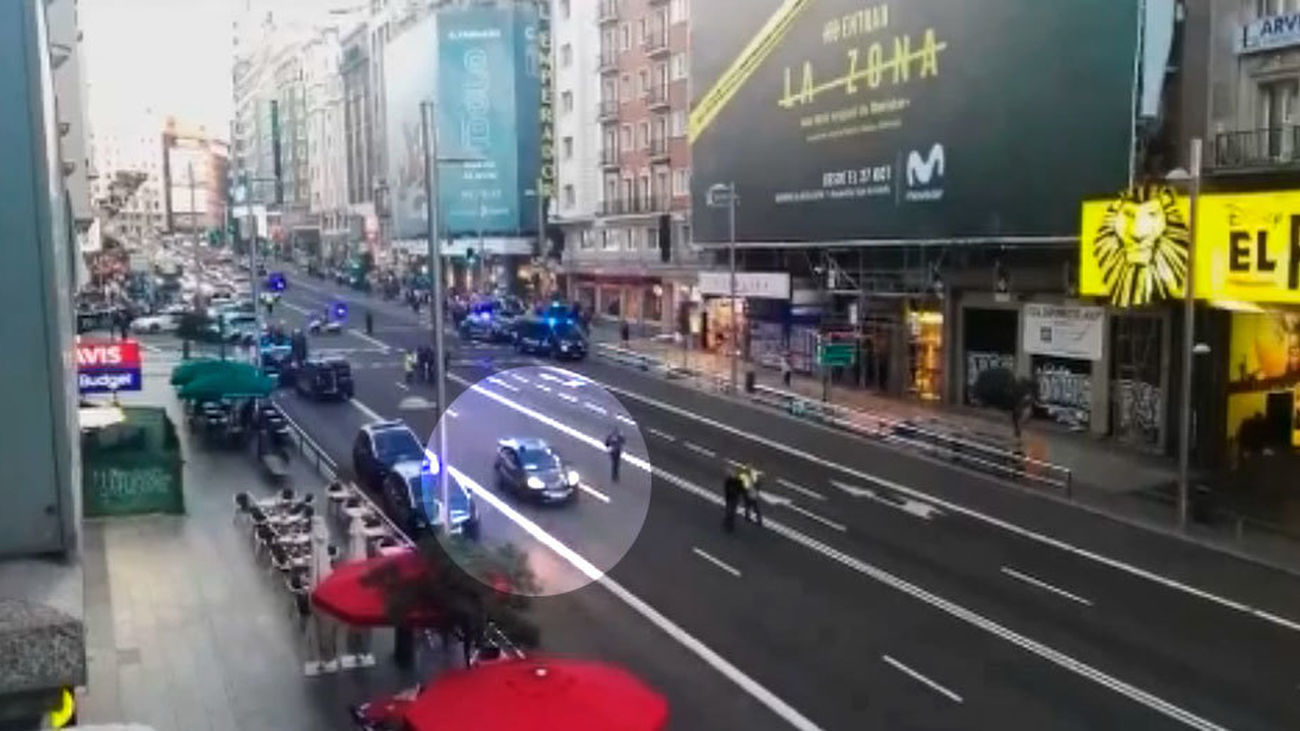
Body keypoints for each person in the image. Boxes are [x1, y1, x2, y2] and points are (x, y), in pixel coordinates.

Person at [722, 468, 744, 533]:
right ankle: (727, 521)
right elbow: (726, 489)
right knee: (729, 510)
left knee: (731, 511)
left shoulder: (737, 481)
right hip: (731, 497)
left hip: (734, 498)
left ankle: (730, 524)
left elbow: (741, 489)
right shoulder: (729, 480)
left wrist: (736, 493)